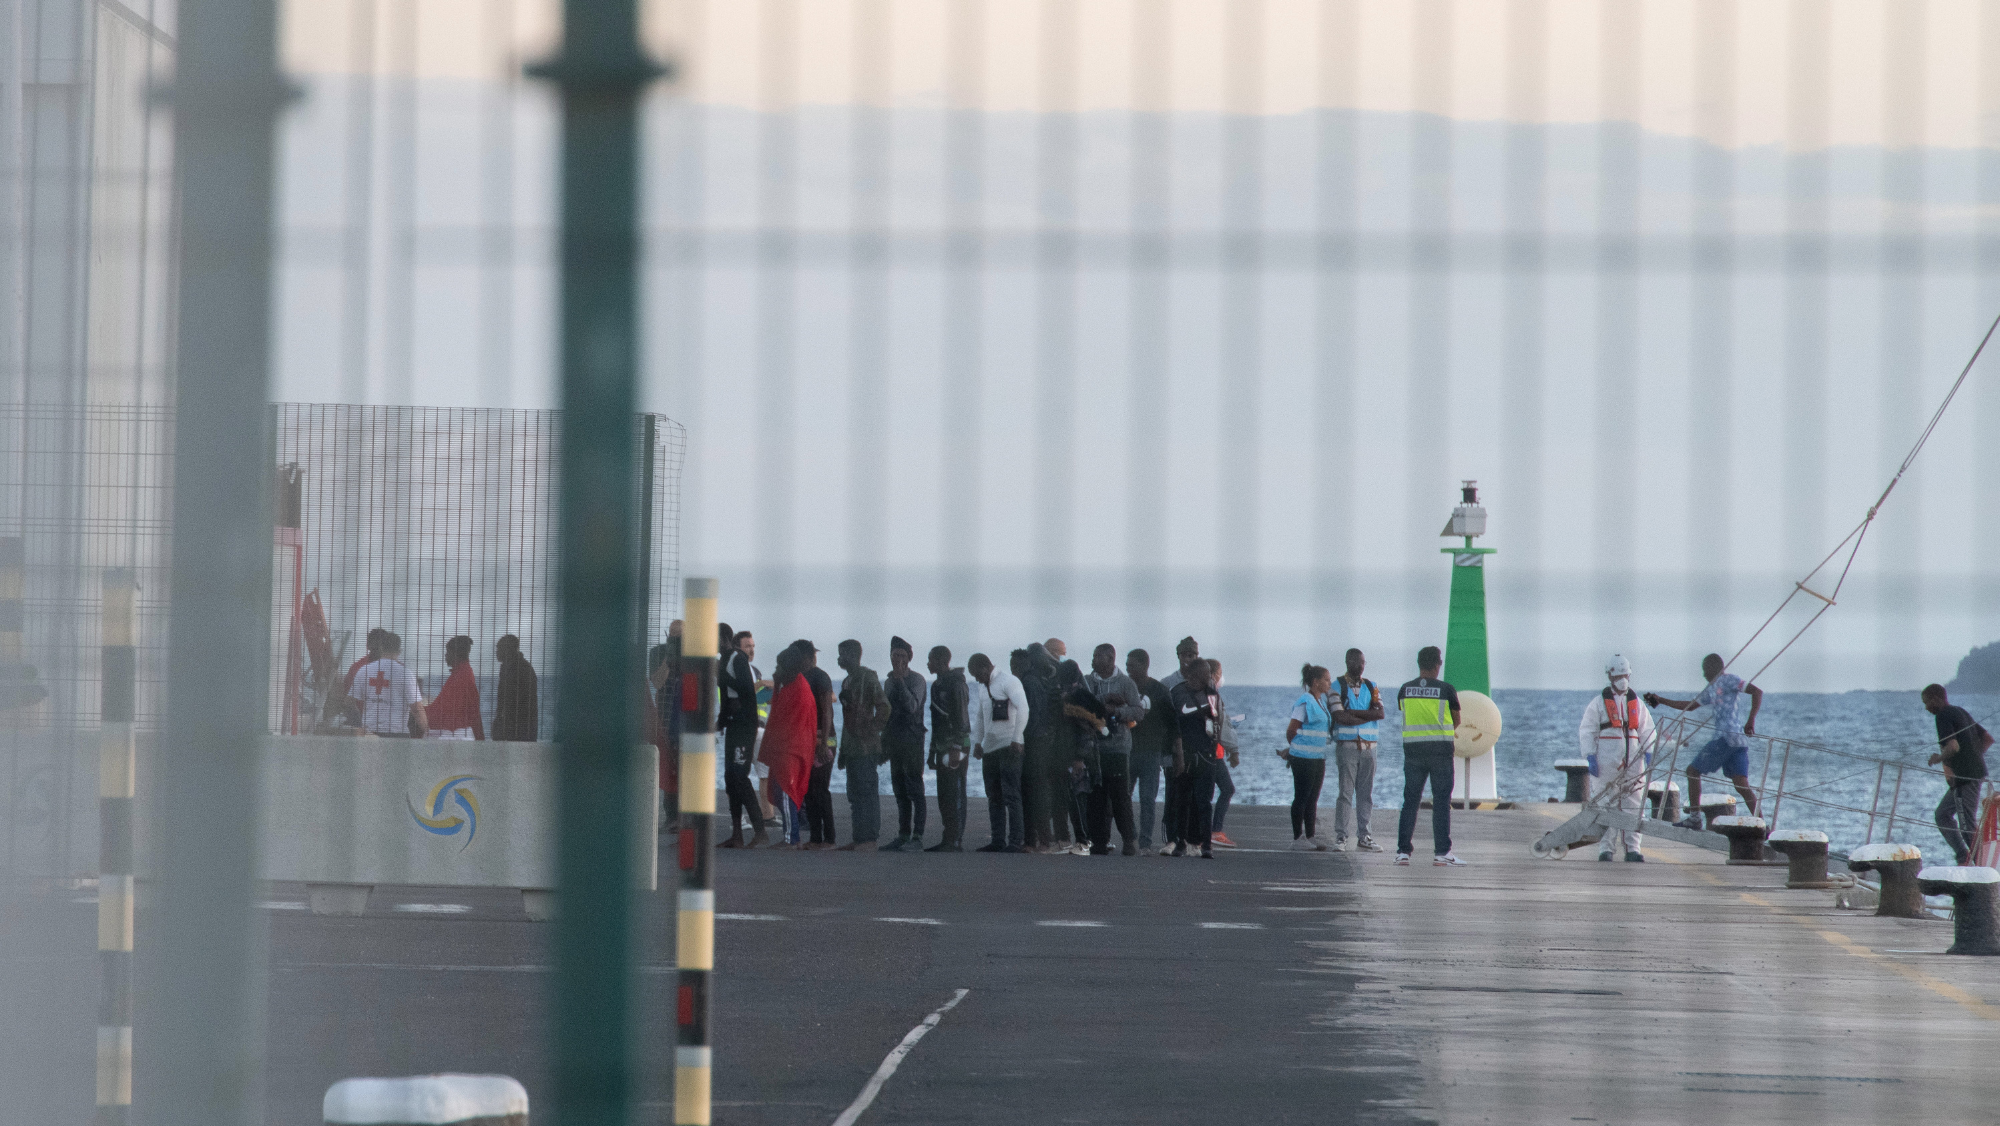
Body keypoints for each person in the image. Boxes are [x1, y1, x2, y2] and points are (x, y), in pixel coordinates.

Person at [1645, 653, 1764, 826]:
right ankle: (1761, 824)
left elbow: (1756, 691)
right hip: (1738, 742)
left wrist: (1751, 719)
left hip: (1725, 739)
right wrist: (1661, 700)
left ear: (1714, 669)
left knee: (1692, 772)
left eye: (1705, 670)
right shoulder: (1712, 688)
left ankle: (1694, 818)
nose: (1703, 675)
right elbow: (1690, 706)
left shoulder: (1729, 679)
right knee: (1741, 785)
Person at [1578, 654, 1657, 861]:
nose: (1622, 679)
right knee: (1605, 803)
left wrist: (1649, 752)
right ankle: (1606, 849)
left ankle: (1633, 849)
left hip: (1634, 759)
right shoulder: (1597, 704)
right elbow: (1587, 731)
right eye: (1618, 675)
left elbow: (1647, 730)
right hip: (1606, 760)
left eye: (1625, 675)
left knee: (1634, 803)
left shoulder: (1637, 704)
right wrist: (1590, 756)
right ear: (1610, 677)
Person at [1395, 646, 1464, 866]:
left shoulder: (1405, 689)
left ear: (1418, 663)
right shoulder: (1446, 690)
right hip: (1440, 753)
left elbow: (1403, 711)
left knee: (1410, 801)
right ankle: (1442, 852)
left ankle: (1403, 852)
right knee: (1441, 802)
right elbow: (1456, 720)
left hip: (1413, 752)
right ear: (1437, 665)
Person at [1083, 644, 1144, 856]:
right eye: (1093, 655)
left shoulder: (1125, 683)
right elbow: (1082, 705)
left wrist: (1117, 712)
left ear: (1110, 658)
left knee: (1120, 796)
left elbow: (1138, 711)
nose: (1093, 660)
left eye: (1097, 656)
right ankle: (1099, 842)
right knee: (1096, 797)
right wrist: (1103, 702)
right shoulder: (1087, 682)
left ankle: (1129, 839)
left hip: (1118, 748)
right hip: (1094, 747)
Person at [1923, 684, 1990, 865]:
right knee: (1942, 814)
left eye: (1927, 702)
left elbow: (1952, 747)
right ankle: (1963, 855)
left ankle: (1983, 867)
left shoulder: (1943, 715)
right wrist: (1973, 757)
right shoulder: (1959, 711)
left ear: (1936, 699)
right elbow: (1987, 738)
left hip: (1965, 778)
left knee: (1967, 825)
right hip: (1973, 773)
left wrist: (1938, 758)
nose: (1926, 708)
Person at [969, 651, 1028, 852]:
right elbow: (979, 716)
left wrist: (1017, 737)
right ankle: (997, 840)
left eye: (977, 674)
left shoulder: (1008, 681)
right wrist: (977, 742)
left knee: (1011, 795)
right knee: (994, 796)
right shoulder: (983, 688)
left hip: (1009, 746)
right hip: (990, 748)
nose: (976, 679)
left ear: (986, 667)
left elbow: (1024, 708)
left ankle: (1015, 841)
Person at [759, 647, 818, 848]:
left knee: (786, 791)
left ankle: (791, 838)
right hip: (785, 747)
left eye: (779, 666)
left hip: (791, 748)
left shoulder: (799, 689)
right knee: (778, 790)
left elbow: (792, 721)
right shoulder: (787, 686)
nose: (776, 669)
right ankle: (791, 833)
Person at [835, 639, 889, 851]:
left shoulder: (867, 677)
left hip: (866, 748)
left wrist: (872, 730)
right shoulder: (847, 681)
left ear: (854, 655)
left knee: (867, 792)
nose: (839, 659)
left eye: (843, 654)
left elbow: (884, 707)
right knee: (854, 794)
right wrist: (843, 750)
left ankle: (869, 839)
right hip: (852, 748)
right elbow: (848, 719)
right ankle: (859, 838)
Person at [1167, 654, 1223, 858]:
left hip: (1206, 755)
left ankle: (1205, 844)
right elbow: (1173, 726)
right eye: (1205, 674)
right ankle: (1180, 842)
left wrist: (1214, 748)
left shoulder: (1212, 695)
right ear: (1193, 675)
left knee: (1204, 802)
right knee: (1182, 801)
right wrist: (1177, 754)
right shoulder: (1178, 693)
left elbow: (1217, 724)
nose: (1209, 678)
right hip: (1185, 754)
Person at [1330, 648, 1385, 852]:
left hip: (1370, 747)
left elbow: (1380, 714)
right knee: (1345, 793)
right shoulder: (1335, 686)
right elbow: (1339, 716)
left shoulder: (1372, 686)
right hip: (1347, 746)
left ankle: (1365, 836)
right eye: (1358, 662)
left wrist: (1353, 712)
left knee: (1366, 794)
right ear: (1348, 662)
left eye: (1363, 662)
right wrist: (1366, 715)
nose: (1361, 666)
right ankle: (1341, 837)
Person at [719, 626, 766, 848]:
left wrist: (725, 677)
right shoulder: (724, 659)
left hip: (745, 726)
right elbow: (726, 696)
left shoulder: (737, 659)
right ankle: (737, 833)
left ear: (726, 639)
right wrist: (721, 721)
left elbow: (747, 690)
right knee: (730, 777)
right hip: (733, 726)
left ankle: (760, 830)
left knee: (740, 775)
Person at [882, 637, 930, 851]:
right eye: (894, 655)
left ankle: (917, 836)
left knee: (915, 789)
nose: (898, 659)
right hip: (894, 741)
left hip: (912, 741)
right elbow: (886, 713)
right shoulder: (888, 681)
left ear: (909, 658)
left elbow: (912, 707)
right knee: (899, 789)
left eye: (902, 655)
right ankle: (903, 834)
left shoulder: (917, 680)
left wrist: (901, 680)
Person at [1125, 648, 1174, 855]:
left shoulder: (1159, 690)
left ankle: (1145, 843)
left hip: (1151, 753)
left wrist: (1168, 752)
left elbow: (1171, 723)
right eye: (1126, 666)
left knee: (1147, 799)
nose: (1128, 670)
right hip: (1128, 750)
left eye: (1132, 666)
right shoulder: (1125, 687)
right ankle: (1129, 836)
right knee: (1122, 797)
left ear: (1144, 665)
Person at [1281, 663, 1334, 850]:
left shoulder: (1321, 702)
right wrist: (1295, 750)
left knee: (1313, 799)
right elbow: (1291, 730)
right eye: (1326, 680)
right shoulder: (1305, 701)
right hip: (1303, 759)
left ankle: (1310, 836)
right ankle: (1298, 838)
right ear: (1315, 681)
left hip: (1318, 758)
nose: (1330, 683)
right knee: (1301, 797)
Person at [1157, 636, 1201, 855]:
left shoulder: (1205, 683)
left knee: (1193, 796)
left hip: (1196, 750)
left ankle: (1189, 839)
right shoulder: (1168, 683)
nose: (1187, 659)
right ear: (1178, 656)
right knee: (1172, 795)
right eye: (1184, 654)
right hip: (1172, 750)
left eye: (1191, 654)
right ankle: (1170, 839)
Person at [1017, 644, 1064, 852]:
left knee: (1031, 793)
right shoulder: (1044, 681)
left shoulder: (1029, 681)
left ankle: (1033, 840)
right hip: (1045, 742)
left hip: (1034, 742)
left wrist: (1023, 739)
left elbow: (1032, 715)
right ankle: (1044, 838)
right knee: (1040, 792)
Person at [926, 645, 972, 852]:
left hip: (957, 746)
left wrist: (956, 747)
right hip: (942, 746)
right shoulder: (937, 685)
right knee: (944, 795)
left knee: (955, 792)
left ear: (941, 661)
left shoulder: (956, 684)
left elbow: (962, 719)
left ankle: (955, 840)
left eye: (931, 659)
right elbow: (936, 723)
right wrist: (932, 752)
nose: (928, 664)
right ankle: (948, 837)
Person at [1055, 659, 1102, 854]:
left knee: (1078, 799)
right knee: (1077, 798)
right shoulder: (1080, 694)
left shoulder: (1076, 697)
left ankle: (1084, 841)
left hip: (1080, 756)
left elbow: (1085, 730)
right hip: (1080, 754)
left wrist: (1079, 758)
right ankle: (1083, 840)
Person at [796, 640, 840, 849]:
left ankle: (829, 838)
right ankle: (815, 837)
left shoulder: (820, 677)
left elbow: (827, 709)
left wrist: (824, 744)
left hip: (825, 739)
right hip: (807, 741)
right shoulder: (799, 677)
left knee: (820, 788)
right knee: (808, 789)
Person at [355, 631, 427, 738]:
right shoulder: (405, 673)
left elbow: (351, 701)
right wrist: (427, 730)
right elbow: (416, 708)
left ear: (381, 649)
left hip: (370, 732)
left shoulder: (363, 670)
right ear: (399, 651)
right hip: (396, 733)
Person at [1205, 658, 1242, 848]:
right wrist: (1233, 750)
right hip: (1212, 753)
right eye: (1220, 673)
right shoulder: (1212, 695)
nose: (1221, 677)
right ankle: (1215, 831)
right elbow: (1220, 725)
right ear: (1213, 674)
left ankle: (1201, 831)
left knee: (1205, 793)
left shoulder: (1201, 692)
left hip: (1207, 751)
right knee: (1227, 789)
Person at [425, 634, 485, 740]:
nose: (445, 656)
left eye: (448, 652)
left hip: (457, 735)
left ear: (456, 654)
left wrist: (420, 711)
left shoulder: (461, 677)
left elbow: (444, 708)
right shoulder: (462, 673)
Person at [491, 634, 539, 741]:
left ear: (508, 650)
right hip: (513, 729)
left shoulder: (522, 669)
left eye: (499, 649)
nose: (496, 652)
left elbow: (517, 704)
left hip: (520, 730)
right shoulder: (508, 668)